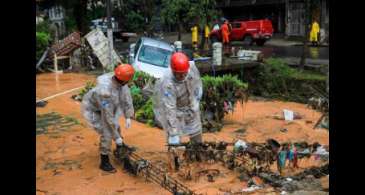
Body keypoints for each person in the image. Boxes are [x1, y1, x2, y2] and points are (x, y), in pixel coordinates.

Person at [152, 52, 203, 170]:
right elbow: (170, 109)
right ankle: (175, 163)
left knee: (196, 132)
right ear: (173, 71)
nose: (182, 76)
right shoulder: (167, 83)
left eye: (184, 73)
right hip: (176, 110)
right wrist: (174, 132)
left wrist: (198, 92)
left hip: (191, 106)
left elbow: (197, 81)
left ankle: (198, 154)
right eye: (179, 74)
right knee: (174, 140)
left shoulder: (191, 68)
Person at [81, 64, 135, 173]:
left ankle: (120, 147)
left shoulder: (121, 82)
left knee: (116, 127)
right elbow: (108, 117)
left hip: (108, 108)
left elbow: (126, 98)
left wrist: (128, 116)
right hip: (94, 110)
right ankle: (104, 160)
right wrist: (116, 137)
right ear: (123, 80)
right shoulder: (105, 92)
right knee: (107, 133)